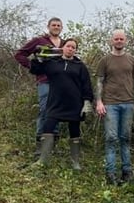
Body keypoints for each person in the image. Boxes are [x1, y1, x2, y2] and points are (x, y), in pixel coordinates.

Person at [29, 38, 94, 170]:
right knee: (47, 128)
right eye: (68, 46)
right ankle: (43, 160)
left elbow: (86, 85)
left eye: (73, 47)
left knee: (74, 131)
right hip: (55, 103)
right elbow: (35, 69)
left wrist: (87, 102)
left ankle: (75, 162)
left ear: (75, 50)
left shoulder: (80, 66)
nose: (70, 49)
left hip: (74, 104)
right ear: (63, 48)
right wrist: (38, 57)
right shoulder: (53, 63)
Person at [95, 30, 134, 185]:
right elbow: (99, 82)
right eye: (116, 38)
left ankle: (126, 172)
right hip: (110, 104)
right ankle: (110, 173)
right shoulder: (105, 60)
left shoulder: (132, 59)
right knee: (111, 138)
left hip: (128, 103)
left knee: (125, 138)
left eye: (121, 39)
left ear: (126, 41)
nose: (118, 41)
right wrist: (99, 102)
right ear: (111, 41)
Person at [14, 17, 64, 155]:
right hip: (45, 81)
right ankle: (40, 147)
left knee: (57, 112)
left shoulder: (64, 44)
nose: (56, 27)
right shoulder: (39, 41)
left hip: (61, 83)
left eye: (58, 25)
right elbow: (19, 54)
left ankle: (52, 146)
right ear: (48, 27)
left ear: (61, 28)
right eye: (53, 25)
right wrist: (32, 66)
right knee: (45, 111)